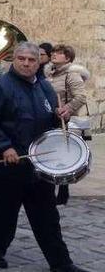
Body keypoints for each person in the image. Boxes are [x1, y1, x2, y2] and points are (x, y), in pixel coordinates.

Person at [0, 42, 89, 272]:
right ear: (14, 60)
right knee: (2, 214)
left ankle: (61, 263)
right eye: (22, 59)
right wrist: (4, 147)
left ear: (39, 62)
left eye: (32, 60)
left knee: (47, 218)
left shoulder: (46, 88)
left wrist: (61, 116)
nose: (27, 63)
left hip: (39, 165)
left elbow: (51, 122)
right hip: (10, 164)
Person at [45, 44, 90, 205]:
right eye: (54, 52)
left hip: (67, 121)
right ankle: (56, 189)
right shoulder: (51, 74)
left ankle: (63, 191)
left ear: (68, 58)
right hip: (53, 120)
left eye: (59, 53)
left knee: (64, 155)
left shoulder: (72, 74)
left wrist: (67, 109)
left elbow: (81, 97)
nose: (54, 54)